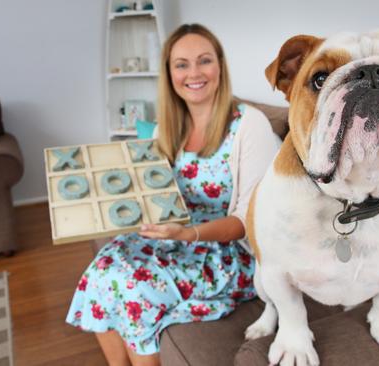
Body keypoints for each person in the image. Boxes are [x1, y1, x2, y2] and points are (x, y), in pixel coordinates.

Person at [66, 23, 279, 366]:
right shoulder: (170, 124)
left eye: (204, 61)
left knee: (133, 285)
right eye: (182, 64)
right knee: (103, 266)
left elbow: (247, 221)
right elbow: (153, 190)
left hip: (225, 254)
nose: (194, 73)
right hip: (173, 240)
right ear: (169, 73)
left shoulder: (248, 124)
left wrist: (188, 233)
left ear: (220, 67)